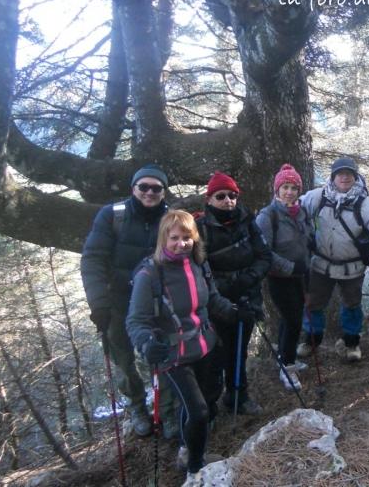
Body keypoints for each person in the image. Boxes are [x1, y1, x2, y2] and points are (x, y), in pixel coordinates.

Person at [126, 210, 240, 477]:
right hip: (173, 355)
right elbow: (135, 321)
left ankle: (186, 450)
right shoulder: (149, 274)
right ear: (163, 239)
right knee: (198, 412)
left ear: (194, 238)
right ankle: (195, 467)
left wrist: (235, 311)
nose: (181, 244)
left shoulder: (198, 263)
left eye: (187, 237)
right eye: (174, 238)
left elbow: (211, 299)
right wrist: (146, 344)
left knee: (202, 405)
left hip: (204, 345)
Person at [81, 163, 174, 437]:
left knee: (163, 354)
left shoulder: (171, 218)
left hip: (157, 302)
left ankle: (166, 411)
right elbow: (93, 259)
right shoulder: (112, 215)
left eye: (156, 188)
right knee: (123, 359)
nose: (149, 192)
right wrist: (98, 304)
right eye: (143, 186)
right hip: (117, 301)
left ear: (164, 191)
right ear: (133, 188)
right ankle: (136, 405)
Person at [298, 157, 369, 362]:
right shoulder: (318, 197)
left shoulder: (365, 204)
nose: (344, 177)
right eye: (340, 174)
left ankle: (352, 343)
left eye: (349, 174)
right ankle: (311, 339)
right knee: (313, 304)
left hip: (352, 268)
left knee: (352, 304)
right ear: (333, 177)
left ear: (355, 177)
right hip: (321, 265)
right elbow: (293, 210)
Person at [195, 172, 272, 415]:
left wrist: (249, 279)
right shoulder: (199, 229)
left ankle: (238, 394)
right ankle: (209, 404)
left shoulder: (248, 221)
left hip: (247, 297)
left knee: (239, 347)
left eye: (232, 195)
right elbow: (198, 268)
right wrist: (226, 288)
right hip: (216, 302)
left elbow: (264, 256)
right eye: (221, 196)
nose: (228, 200)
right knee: (217, 352)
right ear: (209, 199)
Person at [256, 164, 313, 392]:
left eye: (293, 187)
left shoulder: (302, 211)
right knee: (293, 320)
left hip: (302, 274)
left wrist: (312, 244)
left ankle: (284, 357)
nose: (289, 192)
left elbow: (308, 234)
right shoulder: (267, 216)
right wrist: (290, 267)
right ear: (277, 189)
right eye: (285, 187)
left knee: (292, 318)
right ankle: (288, 367)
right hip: (280, 277)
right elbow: (263, 252)